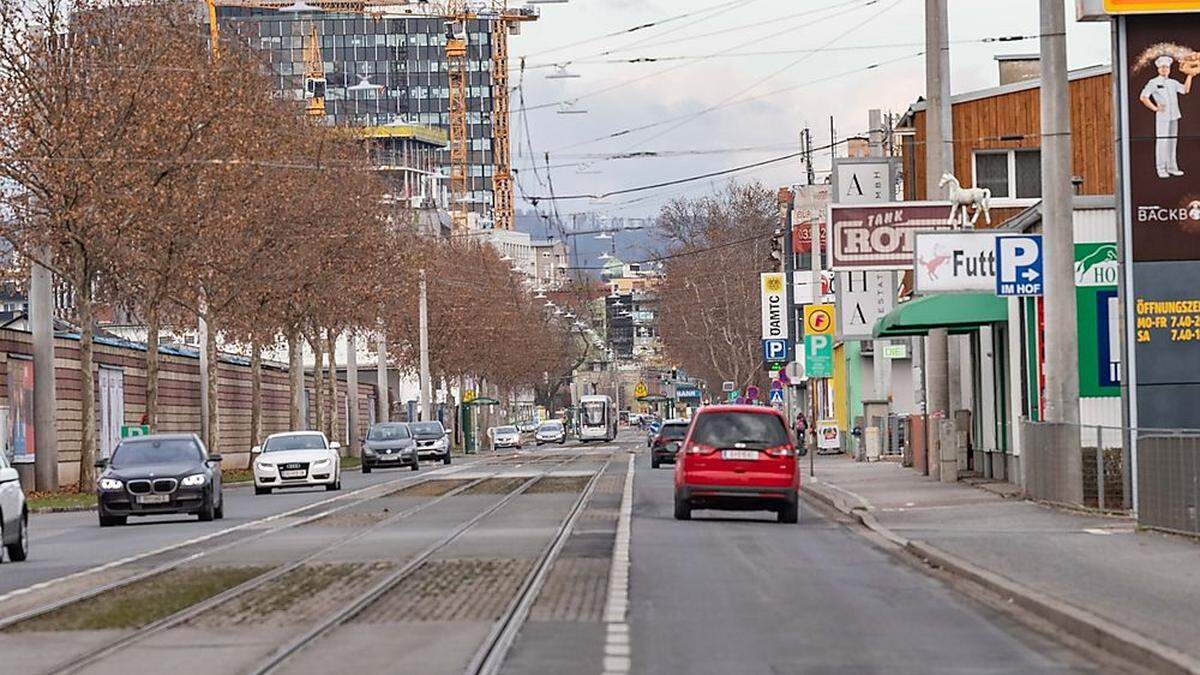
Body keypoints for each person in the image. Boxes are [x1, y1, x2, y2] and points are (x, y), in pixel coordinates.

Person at [1140, 54, 1193, 179]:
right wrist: (1155, 108)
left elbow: (1185, 90)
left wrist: (1189, 76)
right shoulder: (1153, 82)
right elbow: (1143, 97)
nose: (1165, 69)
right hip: (1163, 117)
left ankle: (1172, 167)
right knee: (1162, 142)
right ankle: (1161, 169)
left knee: (1172, 142)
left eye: (1167, 67)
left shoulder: (1172, 82)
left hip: (1174, 115)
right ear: (1158, 69)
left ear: (1169, 69)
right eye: (1162, 67)